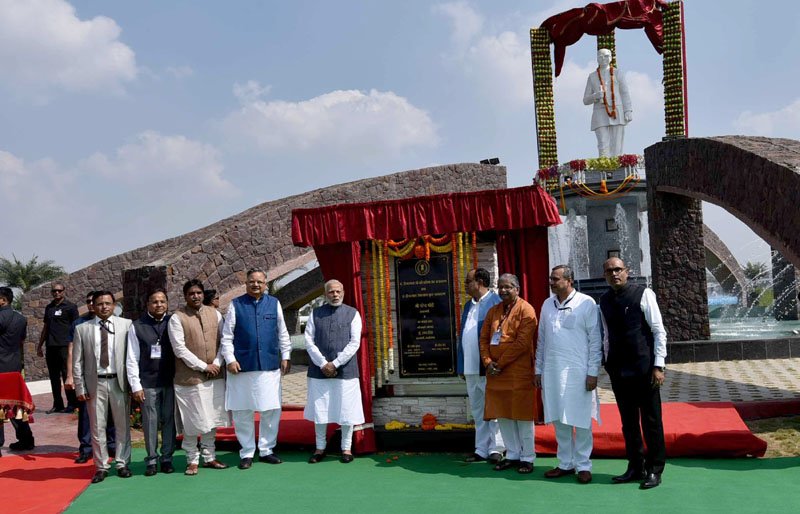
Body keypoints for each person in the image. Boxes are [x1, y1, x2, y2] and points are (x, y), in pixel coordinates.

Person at [599, 257, 667, 490]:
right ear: (605, 275)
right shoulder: (604, 300)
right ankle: (635, 466)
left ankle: (655, 469)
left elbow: (658, 331)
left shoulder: (643, 294)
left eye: (618, 269)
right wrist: (606, 361)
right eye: (609, 271)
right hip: (619, 370)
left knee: (651, 421)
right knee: (628, 423)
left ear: (627, 272)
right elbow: (606, 334)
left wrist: (659, 365)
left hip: (645, 368)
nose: (614, 274)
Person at [535, 265, 602, 484]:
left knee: (581, 420)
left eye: (555, 279)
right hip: (552, 371)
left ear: (569, 280)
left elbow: (595, 341)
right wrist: (538, 369)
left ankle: (583, 465)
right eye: (551, 279)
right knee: (558, 419)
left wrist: (593, 372)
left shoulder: (586, 303)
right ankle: (565, 463)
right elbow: (542, 340)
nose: (551, 282)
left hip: (578, 371)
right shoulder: (547, 304)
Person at [221, 268, 291, 469]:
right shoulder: (236, 305)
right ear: (246, 283)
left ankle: (267, 449)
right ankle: (247, 452)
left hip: (269, 366)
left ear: (266, 284)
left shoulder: (274, 304)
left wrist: (286, 355)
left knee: (271, 409)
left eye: (260, 282)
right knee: (243, 411)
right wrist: (230, 359)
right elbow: (227, 337)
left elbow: (283, 333)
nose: (256, 285)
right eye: (252, 281)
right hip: (242, 367)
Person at [479, 273, 538, 474]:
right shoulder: (493, 311)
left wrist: (500, 363)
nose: (503, 290)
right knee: (503, 414)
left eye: (508, 287)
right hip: (496, 373)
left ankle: (528, 457)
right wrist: (488, 362)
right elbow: (484, 339)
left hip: (517, 371)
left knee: (522, 416)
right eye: (500, 287)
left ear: (517, 289)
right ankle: (512, 454)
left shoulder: (526, 309)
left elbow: (522, 343)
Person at [169, 279, 228, 475]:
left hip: (215, 375)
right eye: (191, 293)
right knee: (192, 421)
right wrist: (204, 366)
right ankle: (191, 460)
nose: (196, 296)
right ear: (185, 296)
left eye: (199, 293)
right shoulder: (177, 318)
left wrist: (217, 364)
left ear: (203, 294)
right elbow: (179, 349)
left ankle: (209, 457)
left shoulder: (215, 314)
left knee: (212, 419)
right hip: (189, 379)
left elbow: (223, 341)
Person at [73, 291, 133, 483]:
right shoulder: (83, 329)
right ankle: (101, 466)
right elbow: (77, 361)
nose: (104, 307)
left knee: (122, 424)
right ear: (94, 306)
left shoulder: (126, 325)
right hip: (94, 383)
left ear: (114, 305)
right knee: (97, 426)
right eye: (100, 304)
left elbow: (132, 357)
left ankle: (122, 463)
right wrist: (80, 387)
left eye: (108, 303)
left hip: (119, 382)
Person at [303, 279, 364, 464]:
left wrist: (335, 363)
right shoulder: (315, 314)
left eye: (338, 291)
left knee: (346, 410)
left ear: (343, 292)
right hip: (319, 370)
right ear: (325, 294)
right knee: (320, 410)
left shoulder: (353, 314)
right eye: (331, 292)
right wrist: (323, 363)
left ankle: (346, 448)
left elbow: (355, 342)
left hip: (345, 371)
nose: (335, 295)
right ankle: (320, 448)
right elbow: (308, 341)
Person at [457, 268, 504, 464]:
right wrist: (461, 366)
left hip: (487, 367)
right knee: (477, 410)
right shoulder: (468, 305)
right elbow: (463, 336)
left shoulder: (496, 304)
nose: (465, 285)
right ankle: (481, 448)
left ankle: (497, 448)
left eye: (468, 281)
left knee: (493, 408)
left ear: (480, 282)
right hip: (470, 368)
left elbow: (500, 336)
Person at [126, 289, 176, 476]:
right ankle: (152, 460)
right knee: (150, 423)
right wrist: (135, 385)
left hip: (169, 381)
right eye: (155, 302)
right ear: (148, 304)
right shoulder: (137, 326)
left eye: (162, 301)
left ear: (167, 304)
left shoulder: (173, 322)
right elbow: (131, 358)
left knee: (169, 421)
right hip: (147, 382)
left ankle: (167, 458)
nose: (159, 305)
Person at [66, 291, 116, 464]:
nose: (91, 305)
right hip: (89, 378)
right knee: (87, 417)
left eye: (92, 301)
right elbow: (73, 351)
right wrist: (70, 376)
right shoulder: (79, 324)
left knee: (111, 415)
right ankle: (86, 449)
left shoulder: (118, 323)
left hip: (112, 377)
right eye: (89, 302)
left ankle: (112, 446)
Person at [0, 286, 35, 454]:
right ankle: (26, 439)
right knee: (16, 405)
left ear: (2, 300)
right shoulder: (21, 318)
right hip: (14, 366)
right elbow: (21, 340)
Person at [37, 281, 79, 414]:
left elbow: (76, 327)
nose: (56, 293)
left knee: (67, 375)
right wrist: (40, 345)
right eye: (54, 291)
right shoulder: (49, 308)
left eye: (59, 291)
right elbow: (46, 327)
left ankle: (72, 404)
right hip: (51, 346)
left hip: (65, 347)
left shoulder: (71, 307)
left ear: (63, 291)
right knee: (54, 377)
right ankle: (58, 404)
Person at [583, 48, 633, 157]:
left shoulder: (618, 73)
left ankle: (617, 168)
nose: (603, 59)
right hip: (600, 111)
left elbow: (625, 93)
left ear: (610, 58)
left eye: (606, 56)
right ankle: (604, 169)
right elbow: (585, 100)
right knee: (602, 143)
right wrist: (595, 96)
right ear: (597, 59)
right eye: (600, 56)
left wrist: (628, 110)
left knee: (617, 144)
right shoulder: (592, 77)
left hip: (617, 110)